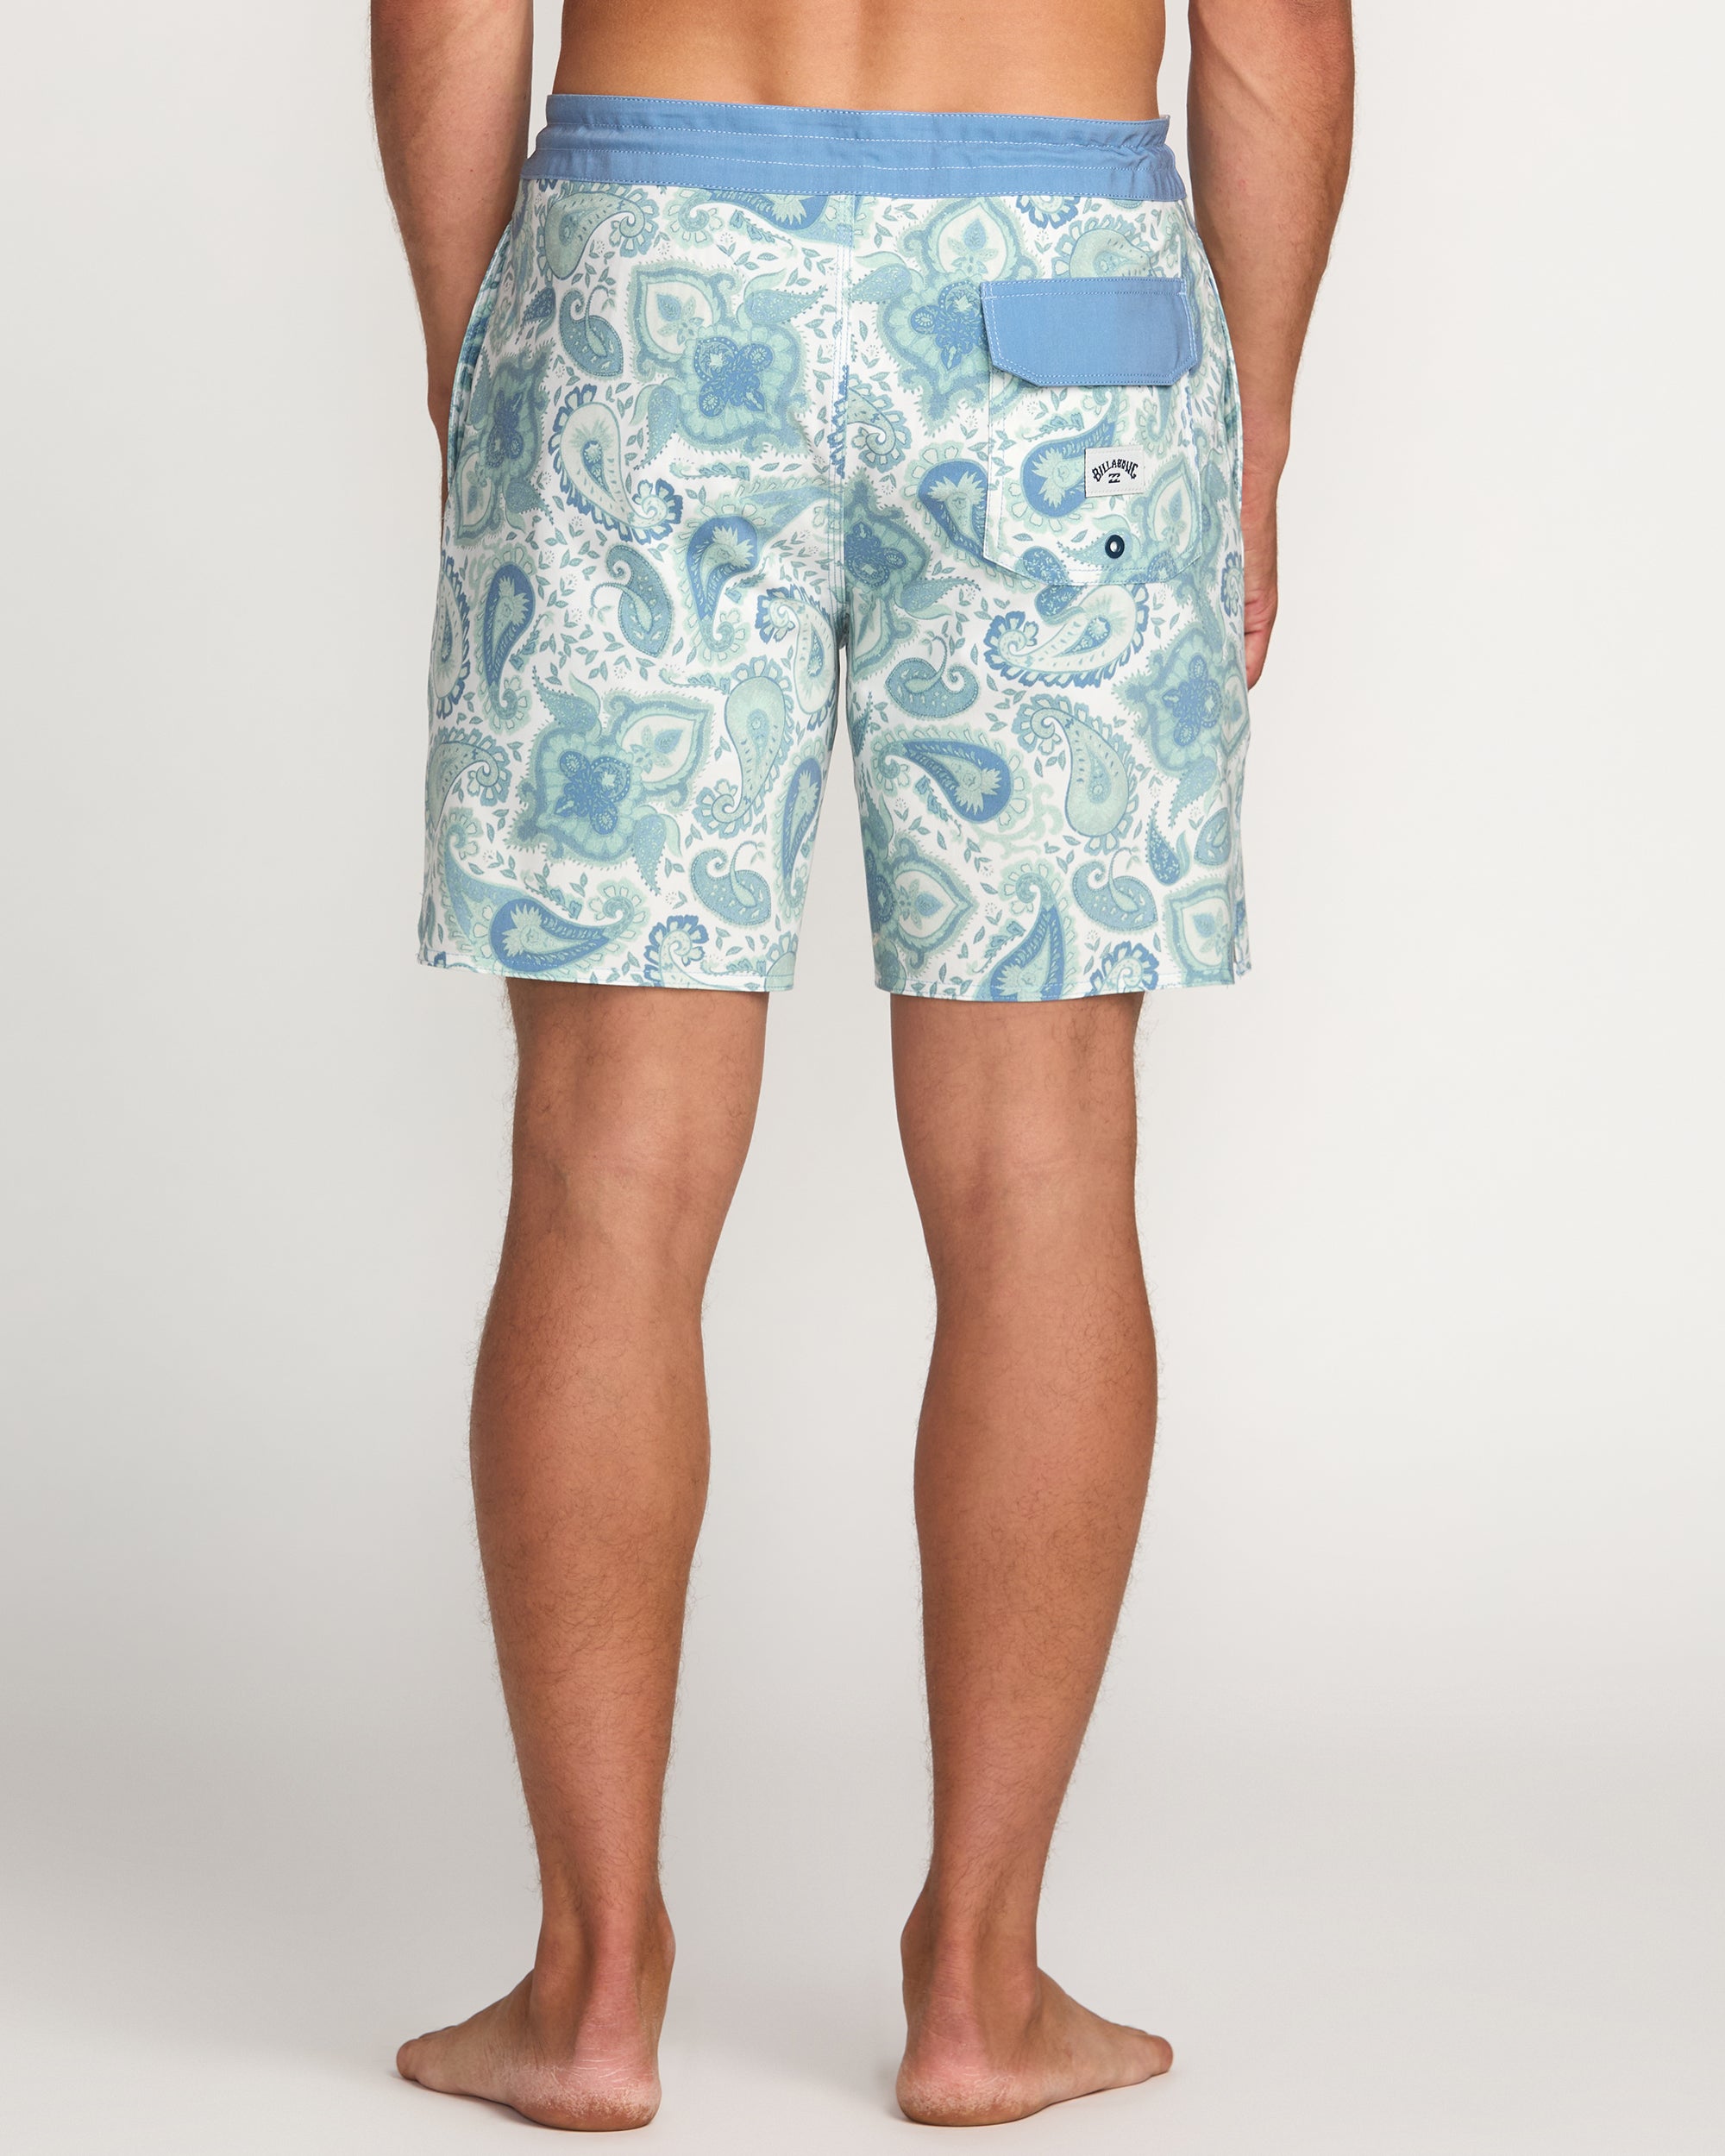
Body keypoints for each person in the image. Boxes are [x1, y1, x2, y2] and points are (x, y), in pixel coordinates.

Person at [373, 0, 1352, 2128]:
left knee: (605, 1164)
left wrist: (486, 357)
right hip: (1063, 302)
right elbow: (1274, 28)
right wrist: (1256, 419)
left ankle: (590, 1989)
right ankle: (981, 1989)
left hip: (646, 255)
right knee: (1040, 1165)